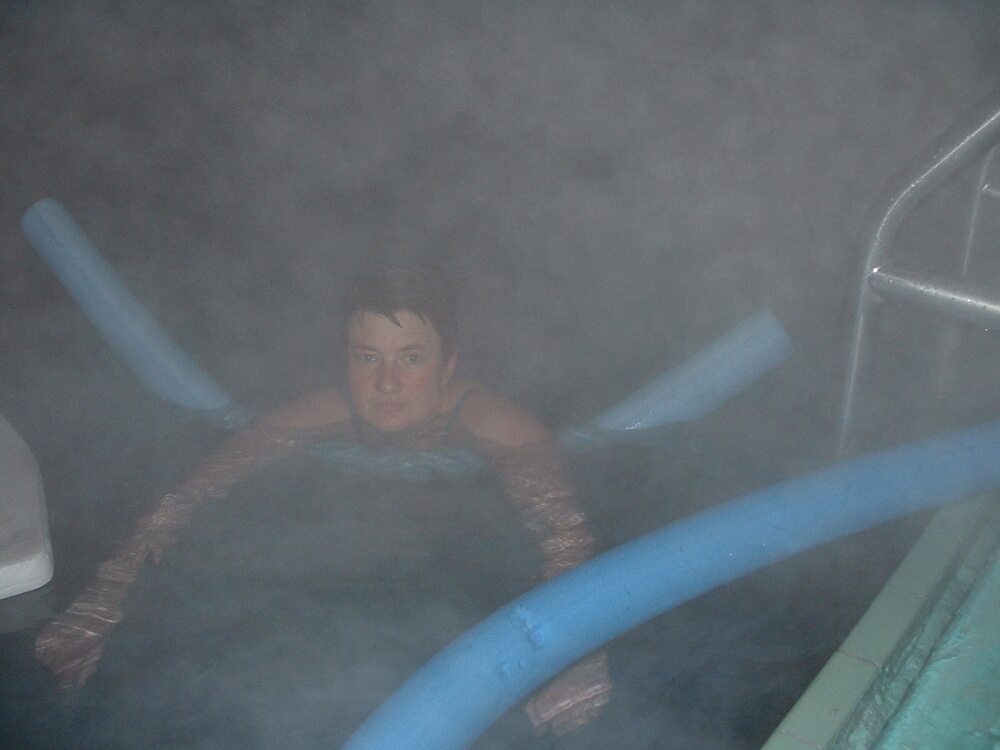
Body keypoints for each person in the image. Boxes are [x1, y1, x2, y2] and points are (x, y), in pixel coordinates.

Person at [35, 263, 610, 736]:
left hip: (464, 568)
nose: (387, 383)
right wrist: (101, 600)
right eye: (367, 357)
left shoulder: (499, 426)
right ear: (345, 359)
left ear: (448, 364)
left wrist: (579, 657)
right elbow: (190, 493)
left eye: (411, 358)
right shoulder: (321, 414)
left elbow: (567, 541)